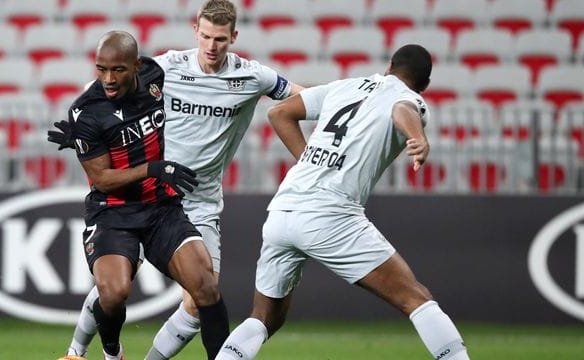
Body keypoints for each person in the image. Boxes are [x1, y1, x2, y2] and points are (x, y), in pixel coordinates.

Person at [50, 1, 303, 359]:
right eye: (205, 36)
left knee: (202, 297)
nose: (211, 46)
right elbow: (107, 85)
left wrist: (351, 105)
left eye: (220, 39)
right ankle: (77, 351)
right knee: (115, 283)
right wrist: (84, 126)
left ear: (233, 37)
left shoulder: (252, 76)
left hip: (198, 200)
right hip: (142, 190)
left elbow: (302, 96)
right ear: (195, 31)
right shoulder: (168, 67)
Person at [215, 44, 471, 360]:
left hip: (284, 208)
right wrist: (418, 137)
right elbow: (402, 109)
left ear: (389, 65)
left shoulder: (345, 86)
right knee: (416, 298)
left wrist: (309, 162)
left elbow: (279, 112)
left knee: (264, 318)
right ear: (425, 85)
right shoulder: (411, 100)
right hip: (331, 213)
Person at [51, 30, 231, 360]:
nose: (108, 78)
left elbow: (200, 75)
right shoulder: (87, 112)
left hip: (161, 209)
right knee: (115, 291)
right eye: (100, 69)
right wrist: (154, 169)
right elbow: (102, 179)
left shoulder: (155, 74)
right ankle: (112, 353)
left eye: (117, 69)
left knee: (206, 287)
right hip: (113, 211)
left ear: (136, 65)